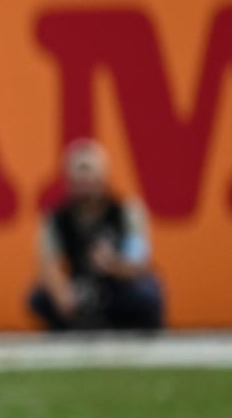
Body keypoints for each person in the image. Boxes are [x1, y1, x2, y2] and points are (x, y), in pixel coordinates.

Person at [27, 140, 164, 332]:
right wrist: (62, 293)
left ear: (103, 179)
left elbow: (138, 262)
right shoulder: (57, 219)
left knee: (146, 293)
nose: (85, 184)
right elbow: (47, 263)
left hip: (119, 287)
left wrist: (113, 264)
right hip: (81, 287)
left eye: (89, 176)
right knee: (38, 298)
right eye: (79, 177)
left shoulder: (125, 213)